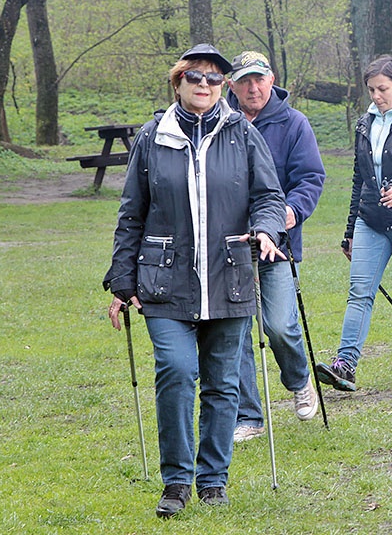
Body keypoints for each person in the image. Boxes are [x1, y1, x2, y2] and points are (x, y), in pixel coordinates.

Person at [104, 43, 286, 518]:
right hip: (163, 281)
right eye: (194, 77)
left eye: (212, 78)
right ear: (178, 83)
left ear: (222, 85)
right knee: (178, 372)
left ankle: (213, 480)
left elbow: (269, 195)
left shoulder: (242, 135)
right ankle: (177, 481)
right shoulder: (152, 137)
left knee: (223, 384)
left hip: (230, 277)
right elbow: (132, 213)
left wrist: (266, 229)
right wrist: (123, 281)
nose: (204, 84)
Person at [315, 55, 392, 390]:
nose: (376, 95)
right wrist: (349, 232)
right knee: (359, 291)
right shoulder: (365, 123)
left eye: (382, 89)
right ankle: (345, 365)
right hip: (371, 220)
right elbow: (360, 179)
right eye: (371, 89)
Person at [225, 51, 326, 441]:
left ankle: (299, 379)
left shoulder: (293, 122)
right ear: (231, 85)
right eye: (245, 81)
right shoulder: (221, 123)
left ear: (272, 79)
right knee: (235, 334)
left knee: (279, 325)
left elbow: (311, 177)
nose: (253, 88)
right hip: (229, 245)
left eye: (260, 79)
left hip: (277, 243)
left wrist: (292, 210)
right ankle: (248, 415)